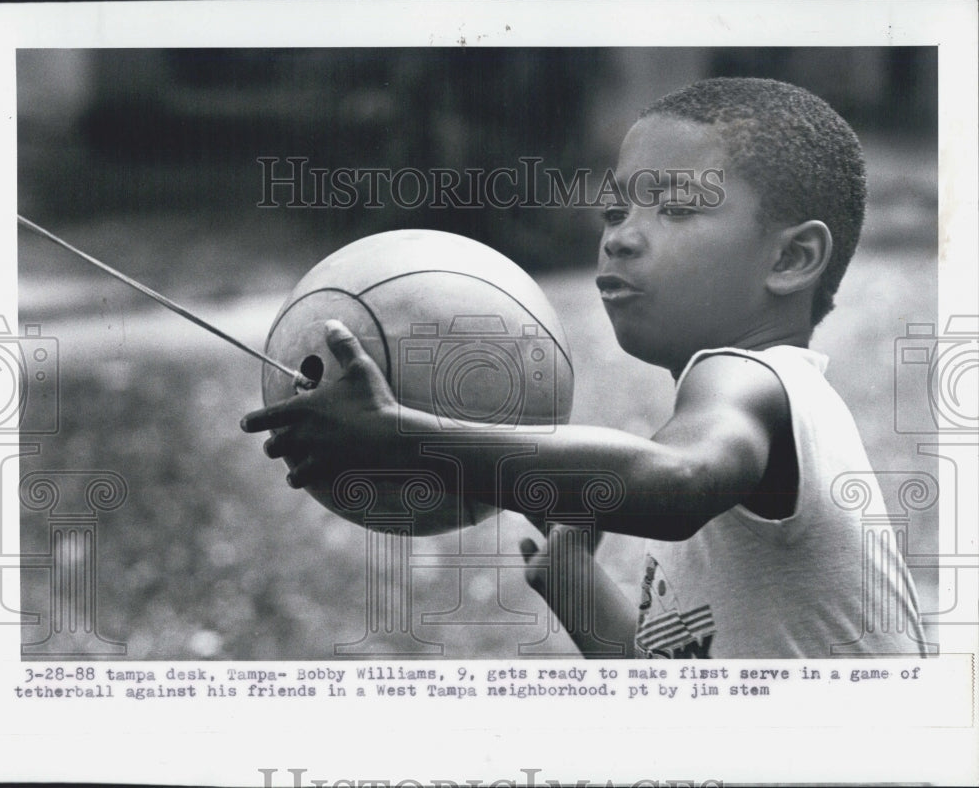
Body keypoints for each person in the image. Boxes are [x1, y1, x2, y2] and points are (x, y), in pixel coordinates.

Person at [241, 77, 929, 659]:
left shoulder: (754, 379)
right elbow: (670, 682)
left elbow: (676, 482)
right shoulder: (742, 425)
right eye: (614, 209)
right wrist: (570, 576)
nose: (622, 235)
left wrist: (400, 436)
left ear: (790, 259)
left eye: (676, 208)